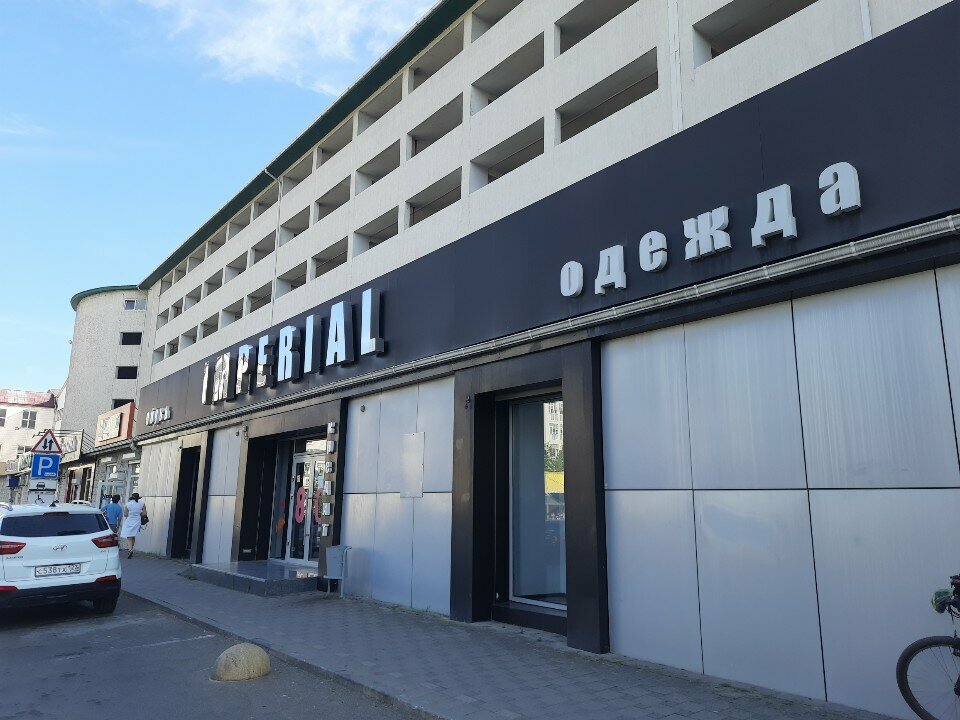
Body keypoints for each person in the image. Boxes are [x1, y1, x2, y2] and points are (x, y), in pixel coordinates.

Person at [119, 493, 147, 559]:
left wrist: (131, 513)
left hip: (129, 521)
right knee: (133, 535)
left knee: (129, 536)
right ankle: (131, 549)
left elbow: (125, 514)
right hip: (137, 521)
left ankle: (130, 550)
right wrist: (139, 513)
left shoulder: (128, 504)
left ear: (132, 498)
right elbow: (144, 514)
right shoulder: (142, 503)